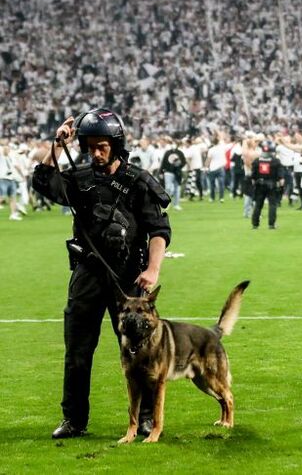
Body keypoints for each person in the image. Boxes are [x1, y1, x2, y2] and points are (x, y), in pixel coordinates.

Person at [31, 108, 171, 440]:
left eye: (102, 146)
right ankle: (74, 419)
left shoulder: (138, 182)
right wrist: (56, 143)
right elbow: (43, 183)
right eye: (90, 146)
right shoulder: (79, 180)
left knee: (142, 351)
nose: (95, 152)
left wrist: (153, 270)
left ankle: (148, 418)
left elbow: (159, 230)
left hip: (129, 278)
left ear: (116, 145)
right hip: (87, 274)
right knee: (77, 351)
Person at [250, 140, 285, 230]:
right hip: (271, 185)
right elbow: (281, 177)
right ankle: (271, 224)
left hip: (259, 184)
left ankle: (255, 224)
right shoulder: (275, 161)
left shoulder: (257, 161)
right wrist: (281, 186)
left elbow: (253, 176)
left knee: (258, 205)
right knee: (272, 205)